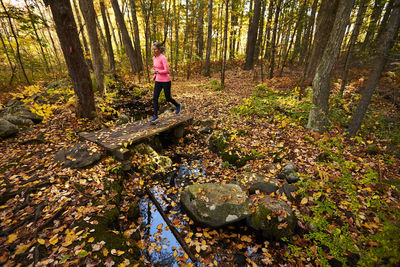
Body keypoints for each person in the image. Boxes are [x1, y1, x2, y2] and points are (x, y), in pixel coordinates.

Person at [150, 42, 181, 123]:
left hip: (166, 81)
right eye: (153, 49)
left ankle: (178, 105)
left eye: (155, 49)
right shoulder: (154, 58)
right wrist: (153, 77)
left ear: (159, 49)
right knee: (155, 98)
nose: (154, 51)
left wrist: (156, 71)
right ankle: (155, 115)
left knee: (168, 98)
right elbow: (156, 69)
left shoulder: (163, 58)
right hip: (158, 81)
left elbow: (166, 71)